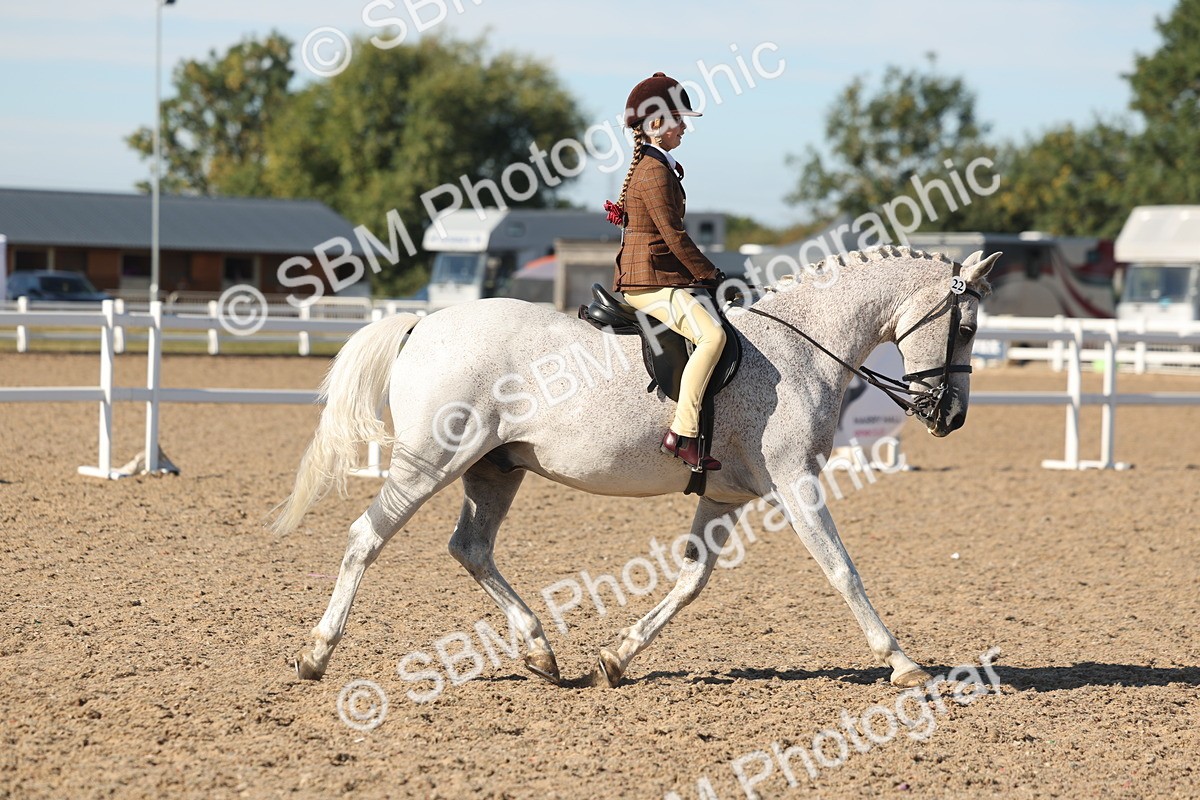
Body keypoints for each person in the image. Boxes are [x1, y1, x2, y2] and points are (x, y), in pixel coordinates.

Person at [608, 72, 726, 472]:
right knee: (712, 337)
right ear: (656, 122)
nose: (684, 128)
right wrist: (711, 274)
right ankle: (683, 433)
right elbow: (674, 235)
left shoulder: (654, 165)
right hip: (649, 280)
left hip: (658, 275)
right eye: (679, 120)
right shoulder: (654, 172)